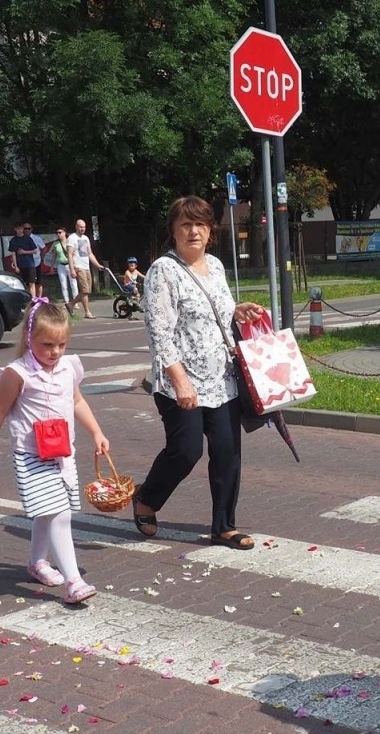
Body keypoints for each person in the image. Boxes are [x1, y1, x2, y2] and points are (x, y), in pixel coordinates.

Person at [131, 196, 266, 549]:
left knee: (227, 451)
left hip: (222, 380)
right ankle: (146, 498)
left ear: (211, 231)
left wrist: (237, 310)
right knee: (186, 451)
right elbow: (159, 334)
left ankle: (224, 526)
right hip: (182, 382)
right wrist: (180, 382)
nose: (194, 231)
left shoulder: (217, 266)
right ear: (173, 231)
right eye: (186, 224)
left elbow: (213, 310)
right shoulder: (163, 271)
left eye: (201, 224)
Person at [0, 299, 109, 605]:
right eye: (47, 345)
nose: (55, 352)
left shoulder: (67, 368)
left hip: (62, 453)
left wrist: (96, 432)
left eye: (61, 344)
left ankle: (37, 562)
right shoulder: (18, 373)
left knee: (48, 513)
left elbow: (77, 402)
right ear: (28, 338)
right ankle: (74, 581)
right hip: (32, 455)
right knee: (58, 513)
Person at [66, 219, 104, 318]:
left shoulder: (86, 238)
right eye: (80, 227)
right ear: (76, 227)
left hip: (86, 267)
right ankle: (87, 312)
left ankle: (71, 304)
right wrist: (72, 269)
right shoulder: (72, 238)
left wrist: (97, 265)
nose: (82, 229)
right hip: (78, 266)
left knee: (87, 291)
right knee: (85, 290)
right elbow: (69, 255)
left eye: (84, 227)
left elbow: (90, 253)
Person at [50, 227, 82, 317]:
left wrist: (75, 265)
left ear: (64, 233)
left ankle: (75, 302)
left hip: (70, 264)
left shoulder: (69, 242)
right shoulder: (55, 243)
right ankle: (66, 302)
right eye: (57, 233)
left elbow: (74, 253)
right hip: (60, 265)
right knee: (63, 284)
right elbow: (54, 255)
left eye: (60, 232)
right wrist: (52, 266)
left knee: (73, 283)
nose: (58, 234)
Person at [6, 222, 44, 298]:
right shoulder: (13, 240)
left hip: (30, 264)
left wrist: (24, 252)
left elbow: (35, 250)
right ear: (15, 229)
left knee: (32, 282)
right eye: (18, 229)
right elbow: (13, 253)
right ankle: (26, 297)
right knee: (23, 283)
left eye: (21, 229)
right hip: (20, 264)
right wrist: (16, 266)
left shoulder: (28, 238)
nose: (20, 230)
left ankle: (33, 298)